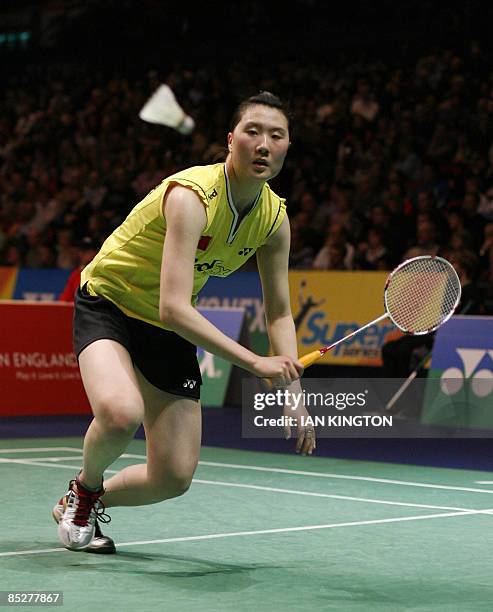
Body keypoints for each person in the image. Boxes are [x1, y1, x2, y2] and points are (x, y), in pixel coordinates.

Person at [54, 92, 316, 554]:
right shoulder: (192, 196)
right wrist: (257, 363)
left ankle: (81, 497)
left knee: (173, 476)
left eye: (276, 136)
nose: (263, 144)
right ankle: (87, 485)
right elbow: (174, 307)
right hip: (111, 302)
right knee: (119, 414)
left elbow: (278, 311)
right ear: (230, 140)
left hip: (165, 331)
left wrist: (294, 395)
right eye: (253, 131)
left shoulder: (274, 220)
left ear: (286, 148)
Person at [58, 237, 100, 302]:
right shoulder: (75, 275)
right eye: (82, 251)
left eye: (88, 251)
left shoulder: (102, 274)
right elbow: (64, 300)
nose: (82, 254)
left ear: (97, 253)